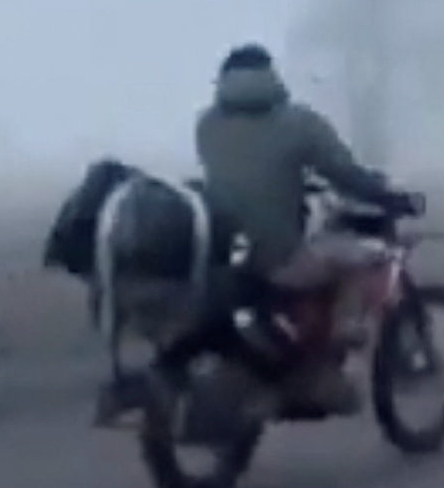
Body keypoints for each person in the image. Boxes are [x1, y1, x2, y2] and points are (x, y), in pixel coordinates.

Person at [175, 43, 409, 412]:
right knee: (369, 259)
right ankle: (338, 351)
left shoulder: (206, 125)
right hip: (279, 255)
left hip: (230, 256)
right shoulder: (297, 123)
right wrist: (388, 196)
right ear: (271, 76)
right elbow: (343, 173)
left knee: (318, 263)